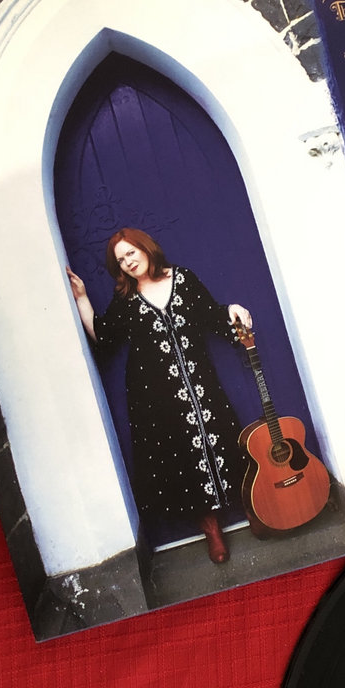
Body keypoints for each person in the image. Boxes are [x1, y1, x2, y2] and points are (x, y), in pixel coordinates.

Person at [66, 227, 251, 564]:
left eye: (131, 253)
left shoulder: (184, 279)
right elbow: (104, 337)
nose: (127, 262)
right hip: (157, 397)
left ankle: (257, 506)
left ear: (145, 248)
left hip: (200, 383)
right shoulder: (127, 299)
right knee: (183, 457)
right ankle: (211, 529)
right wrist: (81, 298)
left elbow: (212, 314)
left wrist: (234, 311)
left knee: (223, 440)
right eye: (120, 260)